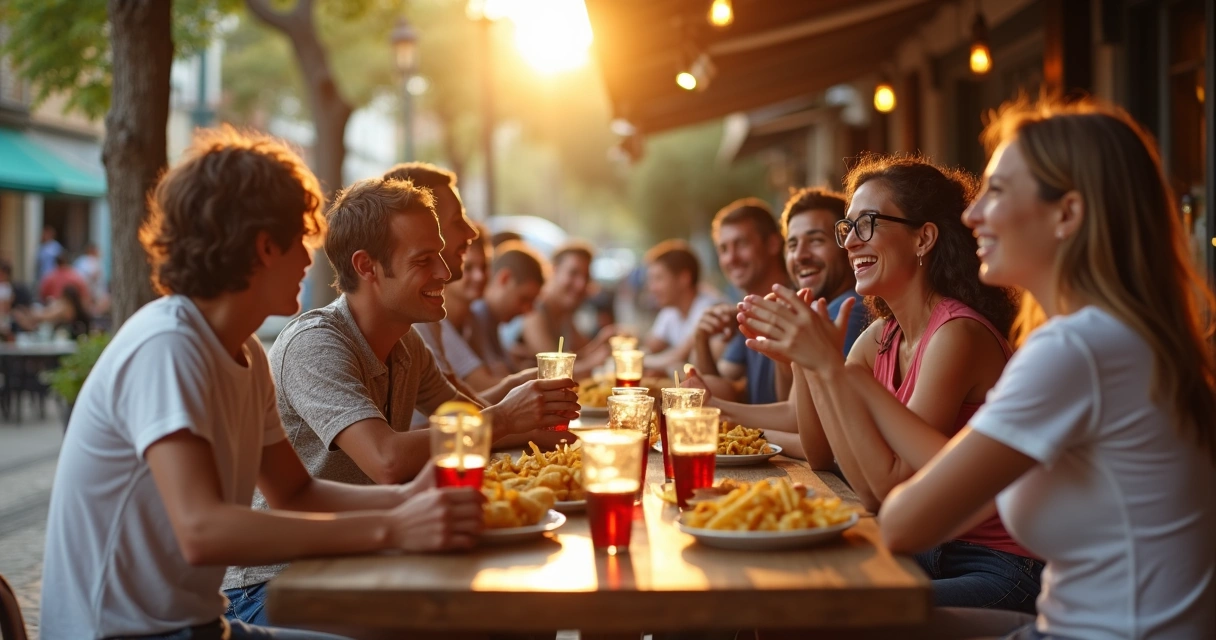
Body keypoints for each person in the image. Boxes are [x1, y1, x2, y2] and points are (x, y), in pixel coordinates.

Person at [40, 127, 484, 640]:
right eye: (300, 240)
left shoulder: (247, 351)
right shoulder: (168, 345)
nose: (308, 258)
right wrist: (393, 526)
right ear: (262, 245)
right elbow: (202, 530)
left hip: (201, 626)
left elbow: (295, 492)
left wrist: (414, 499)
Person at [879, 99, 1216, 639]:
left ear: (1068, 215)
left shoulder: (1076, 348)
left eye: (998, 192)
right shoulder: (1123, 336)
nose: (972, 215)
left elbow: (902, 521)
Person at [222, 178, 578, 622]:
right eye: (424, 260)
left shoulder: (407, 344)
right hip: (277, 583)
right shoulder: (314, 344)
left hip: (366, 554)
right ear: (367, 266)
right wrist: (505, 418)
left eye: (440, 256)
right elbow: (386, 459)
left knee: (525, 607)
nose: (445, 273)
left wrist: (560, 425)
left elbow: (468, 424)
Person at [739, 154, 1042, 614]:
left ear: (923, 238)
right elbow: (825, 456)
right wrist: (809, 363)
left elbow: (892, 486)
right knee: (774, 592)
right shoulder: (879, 338)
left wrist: (829, 366)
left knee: (813, 614)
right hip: (926, 549)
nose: (851, 243)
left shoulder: (956, 335)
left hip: (997, 565)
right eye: (848, 228)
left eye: (867, 224)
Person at [684, 189, 864, 461]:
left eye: (815, 241)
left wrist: (727, 420)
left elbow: (812, 436)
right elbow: (728, 385)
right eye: (792, 245)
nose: (800, 255)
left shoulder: (847, 310)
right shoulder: (792, 309)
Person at [690, 198, 791, 405]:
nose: (731, 259)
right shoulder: (748, 311)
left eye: (742, 244)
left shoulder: (796, 306)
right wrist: (701, 339)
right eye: (723, 249)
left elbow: (793, 413)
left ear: (773, 243)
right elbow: (717, 391)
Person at [518, 241, 615, 378]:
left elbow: (578, 354)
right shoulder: (534, 309)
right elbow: (553, 370)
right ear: (554, 270)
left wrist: (603, 339)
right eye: (573, 273)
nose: (581, 284)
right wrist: (594, 362)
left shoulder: (564, 312)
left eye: (586, 277)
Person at [466, 241, 547, 376]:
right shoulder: (476, 316)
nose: (527, 310)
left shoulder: (492, 321)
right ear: (505, 278)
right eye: (524, 299)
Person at [642, 239, 721, 372]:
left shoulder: (710, 308)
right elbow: (651, 345)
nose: (652, 288)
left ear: (684, 278)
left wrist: (633, 362)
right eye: (651, 280)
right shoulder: (671, 309)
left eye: (659, 278)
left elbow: (678, 357)